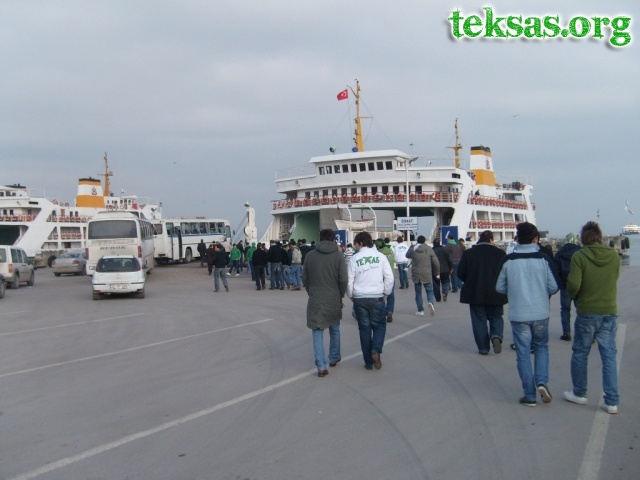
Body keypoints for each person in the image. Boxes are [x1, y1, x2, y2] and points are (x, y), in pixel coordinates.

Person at [496, 222, 559, 407]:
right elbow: (554, 287)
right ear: (535, 239)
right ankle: (542, 382)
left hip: (519, 314)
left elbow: (499, 287)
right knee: (541, 347)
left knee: (523, 353)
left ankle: (529, 395)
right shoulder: (543, 259)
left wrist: (514, 290)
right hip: (540, 312)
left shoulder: (508, 260)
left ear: (517, 239)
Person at [564, 221, 620, 414]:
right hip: (609, 310)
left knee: (581, 353)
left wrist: (575, 297)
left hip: (587, 311)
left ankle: (580, 393)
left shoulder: (579, 256)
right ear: (599, 236)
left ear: (583, 238)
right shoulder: (613, 256)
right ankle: (611, 401)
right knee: (609, 356)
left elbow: (573, 284)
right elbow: (614, 278)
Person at [302, 229, 348, 377]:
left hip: (316, 298)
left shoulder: (310, 256)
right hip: (333, 297)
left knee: (317, 331)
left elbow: (305, 278)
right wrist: (340, 294)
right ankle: (334, 357)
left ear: (320, 239)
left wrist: (311, 291)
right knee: (335, 328)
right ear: (334, 239)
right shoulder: (338, 256)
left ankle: (321, 366)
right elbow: (343, 279)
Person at [348, 231, 394, 370]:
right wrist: (386, 292)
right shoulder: (380, 257)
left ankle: (368, 362)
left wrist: (351, 295)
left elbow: (349, 280)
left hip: (359, 298)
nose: (356, 247)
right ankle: (376, 350)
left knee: (364, 329)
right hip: (377, 296)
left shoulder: (354, 259)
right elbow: (389, 277)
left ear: (361, 243)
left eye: (356, 245)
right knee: (379, 326)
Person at [458, 230, 508, 355]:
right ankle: (496, 336)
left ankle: (483, 348)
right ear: (491, 240)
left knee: (479, 320)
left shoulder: (468, 253)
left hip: (475, 292)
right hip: (496, 292)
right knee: (496, 317)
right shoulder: (500, 253)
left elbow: (460, 273)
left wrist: (470, 281)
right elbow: (506, 273)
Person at [554, 233, 581, 341]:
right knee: (581, 310)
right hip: (579, 285)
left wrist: (560, 283)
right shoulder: (581, 252)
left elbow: (556, 270)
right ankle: (581, 332)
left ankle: (566, 333)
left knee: (565, 309)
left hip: (565, 285)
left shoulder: (560, 253)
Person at [406, 235, 440, 316]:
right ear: (424, 241)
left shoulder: (414, 249)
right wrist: (437, 271)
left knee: (418, 293)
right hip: (427, 273)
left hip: (416, 274)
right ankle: (430, 303)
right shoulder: (429, 249)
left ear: (417, 241)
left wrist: (411, 246)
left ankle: (420, 310)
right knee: (429, 290)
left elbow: (407, 255)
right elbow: (436, 262)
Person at [375, 238, 395, 322]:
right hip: (391, 275)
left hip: (381, 276)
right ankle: (389, 311)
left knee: (381, 296)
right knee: (390, 295)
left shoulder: (379, 253)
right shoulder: (390, 251)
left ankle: (382, 312)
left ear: (378, 246)